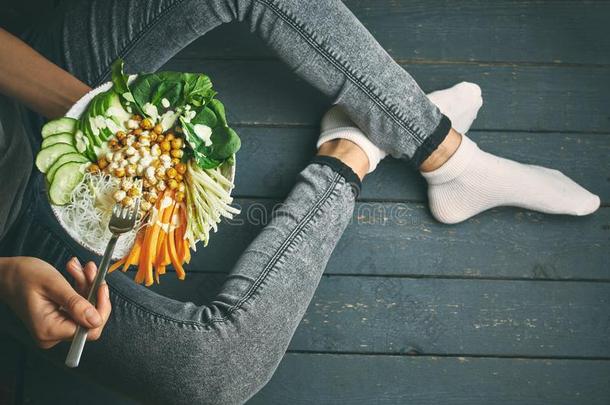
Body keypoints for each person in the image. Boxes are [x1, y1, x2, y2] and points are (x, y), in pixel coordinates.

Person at [0, 1, 600, 404]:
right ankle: (352, 149)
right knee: (219, 370)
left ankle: (447, 156)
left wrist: (91, 115)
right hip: (17, 240)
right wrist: (5, 277)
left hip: (24, 95)